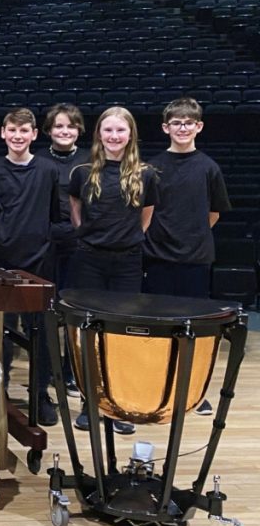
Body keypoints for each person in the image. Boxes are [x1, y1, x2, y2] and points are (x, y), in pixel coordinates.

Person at [68, 106, 159, 434]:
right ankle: (88, 404)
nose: (114, 136)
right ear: (99, 135)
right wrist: (88, 237)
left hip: (127, 262)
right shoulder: (82, 171)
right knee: (89, 332)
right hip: (90, 260)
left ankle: (119, 406)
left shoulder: (146, 174)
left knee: (121, 334)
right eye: (108, 131)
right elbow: (75, 210)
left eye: (121, 131)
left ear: (130, 134)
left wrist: (126, 240)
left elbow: (145, 218)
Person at [142, 97, 231, 416]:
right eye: (176, 123)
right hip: (158, 257)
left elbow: (214, 213)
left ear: (199, 126)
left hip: (195, 258)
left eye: (188, 122)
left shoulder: (209, 167)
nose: (182, 127)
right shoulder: (152, 167)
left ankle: (192, 390)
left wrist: (191, 235)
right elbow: (145, 213)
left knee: (194, 328)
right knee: (159, 326)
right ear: (166, 127)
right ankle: (157, 385)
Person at [0, 107, 59, 427]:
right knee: (3, 336)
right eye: (12, 131)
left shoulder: (48, 171)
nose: (18, 137)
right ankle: (2, 391)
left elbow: (53, 215)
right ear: (3, 134)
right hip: (1, 266)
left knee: (42, 336)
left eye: (25, 131)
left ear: (34, 134)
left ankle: (40, 393)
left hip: (38, 265)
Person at [37, 103, 85, 396]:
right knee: (47, 312)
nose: (64, 131)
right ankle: (47, 369)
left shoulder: (91, 159)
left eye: (70, 126)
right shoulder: (39, 160)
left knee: (74, 311)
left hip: (80, 245)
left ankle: (71, 372)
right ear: (48, 130)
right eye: (58, 126)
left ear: (78, 129)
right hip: (46, 245)